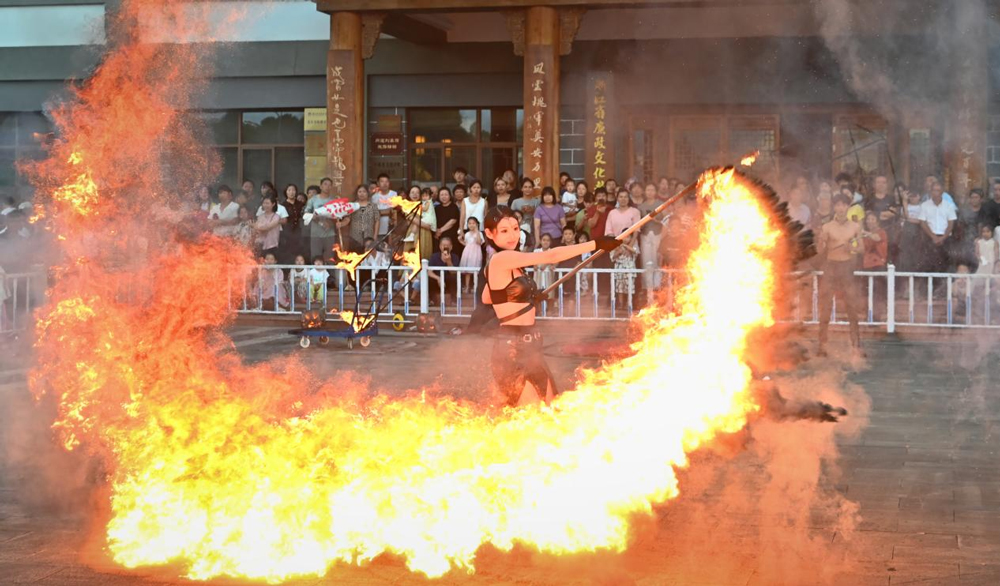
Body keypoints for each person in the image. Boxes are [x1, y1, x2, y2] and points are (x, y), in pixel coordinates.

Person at [481, 205, 622, 406]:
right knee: (530, 416)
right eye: (504, 231)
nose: (512, 235)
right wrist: (595, 244)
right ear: (489, 234)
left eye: (515, 228)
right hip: (511, 350)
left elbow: (487, 297)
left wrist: (526, 297)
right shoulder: (502, 258)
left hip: (531, 350)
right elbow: (550, 256)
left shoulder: (505, 263)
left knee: (550, 409)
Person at [816, 193, 863, 357]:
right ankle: (822, 345)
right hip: (831, 267)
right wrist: (821, 241)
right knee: (825, 307)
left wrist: (852, 248)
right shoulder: (827, 227)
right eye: (837, 205)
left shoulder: (855, 227)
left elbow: (861, 248)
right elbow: (820, 251)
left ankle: (856, 346)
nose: (840, 208)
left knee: (852, 307)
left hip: (847, 267)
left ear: (848, 207)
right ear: (834, 207)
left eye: (843, 205)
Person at [919, 180, 957, 274]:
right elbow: (923, 223)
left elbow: (951, 223)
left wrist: (942, 238)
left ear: (942, 192)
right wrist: (933, 237)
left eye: (938, 190)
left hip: (945, 239)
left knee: (945, 265)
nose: (936, 193)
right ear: (930, 192)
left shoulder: (949, 206)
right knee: (929, 265)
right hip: (929, 238)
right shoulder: (924, 205)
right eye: (934, 190)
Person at [637, 182, 664, 302]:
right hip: (645, 235)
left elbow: (665, 220)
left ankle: (657, 288)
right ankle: (647, 290)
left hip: (658, 235)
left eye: (652, 190)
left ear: (656, 191)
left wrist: (655, 219)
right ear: (645, 191)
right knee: (646, 262)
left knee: (656, 261)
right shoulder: (641, 206)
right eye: (648, 190)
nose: (650, 192)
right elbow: (639, 224)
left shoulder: (660, 204)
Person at [862, 212, 888, 319]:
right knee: (867, 292)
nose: (870, 221)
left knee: (878, 293)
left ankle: (876, 317)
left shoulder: (881, 232)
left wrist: (864, 233)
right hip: (866, 265)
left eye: (872, 219)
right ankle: (868, 316)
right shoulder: (864, 235)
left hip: (878, 265)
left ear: (877, 222)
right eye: (868, 219)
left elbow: (877, 238)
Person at [304, 178, 338, 262]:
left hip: (330, 234)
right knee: (315, 258)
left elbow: (338, 216)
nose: (327, 187)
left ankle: (329, 271)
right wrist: (313, 216)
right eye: (325, 184)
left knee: (330, 259)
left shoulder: (334, 200)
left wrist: (331, 223)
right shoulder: (313, 200)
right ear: (321, 186)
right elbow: (306, 213)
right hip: (316, 234)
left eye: (329, 185)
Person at [344, 184, 380, 254]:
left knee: (368, 255)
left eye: (364, 192)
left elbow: (377, 221)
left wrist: (375, 235)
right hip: (354, 237)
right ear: (357, 193)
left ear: (367, 193)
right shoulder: (352, 206)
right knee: (354, 256)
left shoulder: (373, 206)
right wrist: (341, 224)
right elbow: (347, 219)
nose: (362, 194)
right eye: (359, 192)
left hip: (369, 236)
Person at [428, 236, 458, 305]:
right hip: (437, 280)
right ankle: (432, 300)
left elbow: (453, 272)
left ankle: (454, 300)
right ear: (440, 246)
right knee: (430, 280)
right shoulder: (434, 256)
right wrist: (438, 278)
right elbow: (429, 272)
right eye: (443, 245)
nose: (445, 247)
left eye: (447, 245)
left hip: (448, 280)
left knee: (454, 278)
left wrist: (448, 261)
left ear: (451, 247)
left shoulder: (455, 257)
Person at [279, 184, 305, 261]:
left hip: (299, 230)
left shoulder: (300, 204)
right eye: (289, 190)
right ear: (286, 192)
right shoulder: (282, 205)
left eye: (293, 190)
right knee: (288, 250)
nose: (291, 192)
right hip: (287, 231)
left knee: (299, 249)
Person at [459, 217, 484, 293]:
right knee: (467, 271)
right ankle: (467, 287)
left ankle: (475, 287)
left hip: (476, 253)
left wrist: (477, 231)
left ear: (477, 224)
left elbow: (479, 242)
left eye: (473, 223)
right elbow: (466, 244)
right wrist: (460, 241)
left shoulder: (479, 233)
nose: (471, 225)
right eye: (469, 223)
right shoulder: (467, 234)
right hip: (467, 253)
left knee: (475, 270)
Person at [434, 187, 461, 254]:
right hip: (439, 237)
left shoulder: (454, 207)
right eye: (442, 195)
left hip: (451, 235)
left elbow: (453, 221)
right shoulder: (437, 208)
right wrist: (436, 231)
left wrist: (440, 230)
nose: (444, 197)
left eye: (446, 194)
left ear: (450, 196)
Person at [373, 173, 397, 237]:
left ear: (389, 183)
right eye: (382, 181)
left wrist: (380, 212)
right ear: (378, 183)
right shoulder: (374, 197)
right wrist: (387, 211)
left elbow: (393, 211)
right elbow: (374, 213)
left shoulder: (394, 194)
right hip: (378, 229)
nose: (384, 184)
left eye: (386, 181)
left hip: (391, 228)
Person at [418, 187, 438, 261]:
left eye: (426, 196)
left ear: (430, 196)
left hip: (428, 218)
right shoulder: (425, 202)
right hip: (426, 217)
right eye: (423, 196)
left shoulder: (428, 202)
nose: (424, 197)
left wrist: (418, 206)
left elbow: (425, 209)